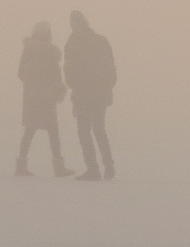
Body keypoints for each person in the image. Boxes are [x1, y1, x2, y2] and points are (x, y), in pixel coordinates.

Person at [63, 10, 118, 181]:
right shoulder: (101, 40)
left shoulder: (73, 42)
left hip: (83, 94)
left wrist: (74, 88)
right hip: (101, 93)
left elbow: (70, 70)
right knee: (99, 129)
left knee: (84, 131)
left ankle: (92, 168)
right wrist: (107, 85)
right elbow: (111, 66)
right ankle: (109, 166)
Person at [14, 21, 72, 176]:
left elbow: (22, 73)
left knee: (33, 130)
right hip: (43, 96)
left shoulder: (33, 51)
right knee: (50, 130)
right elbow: (52, 74)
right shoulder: (43, 52)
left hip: (36, 96)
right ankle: (58, 166)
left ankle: (22, 165)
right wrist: (55, 88)